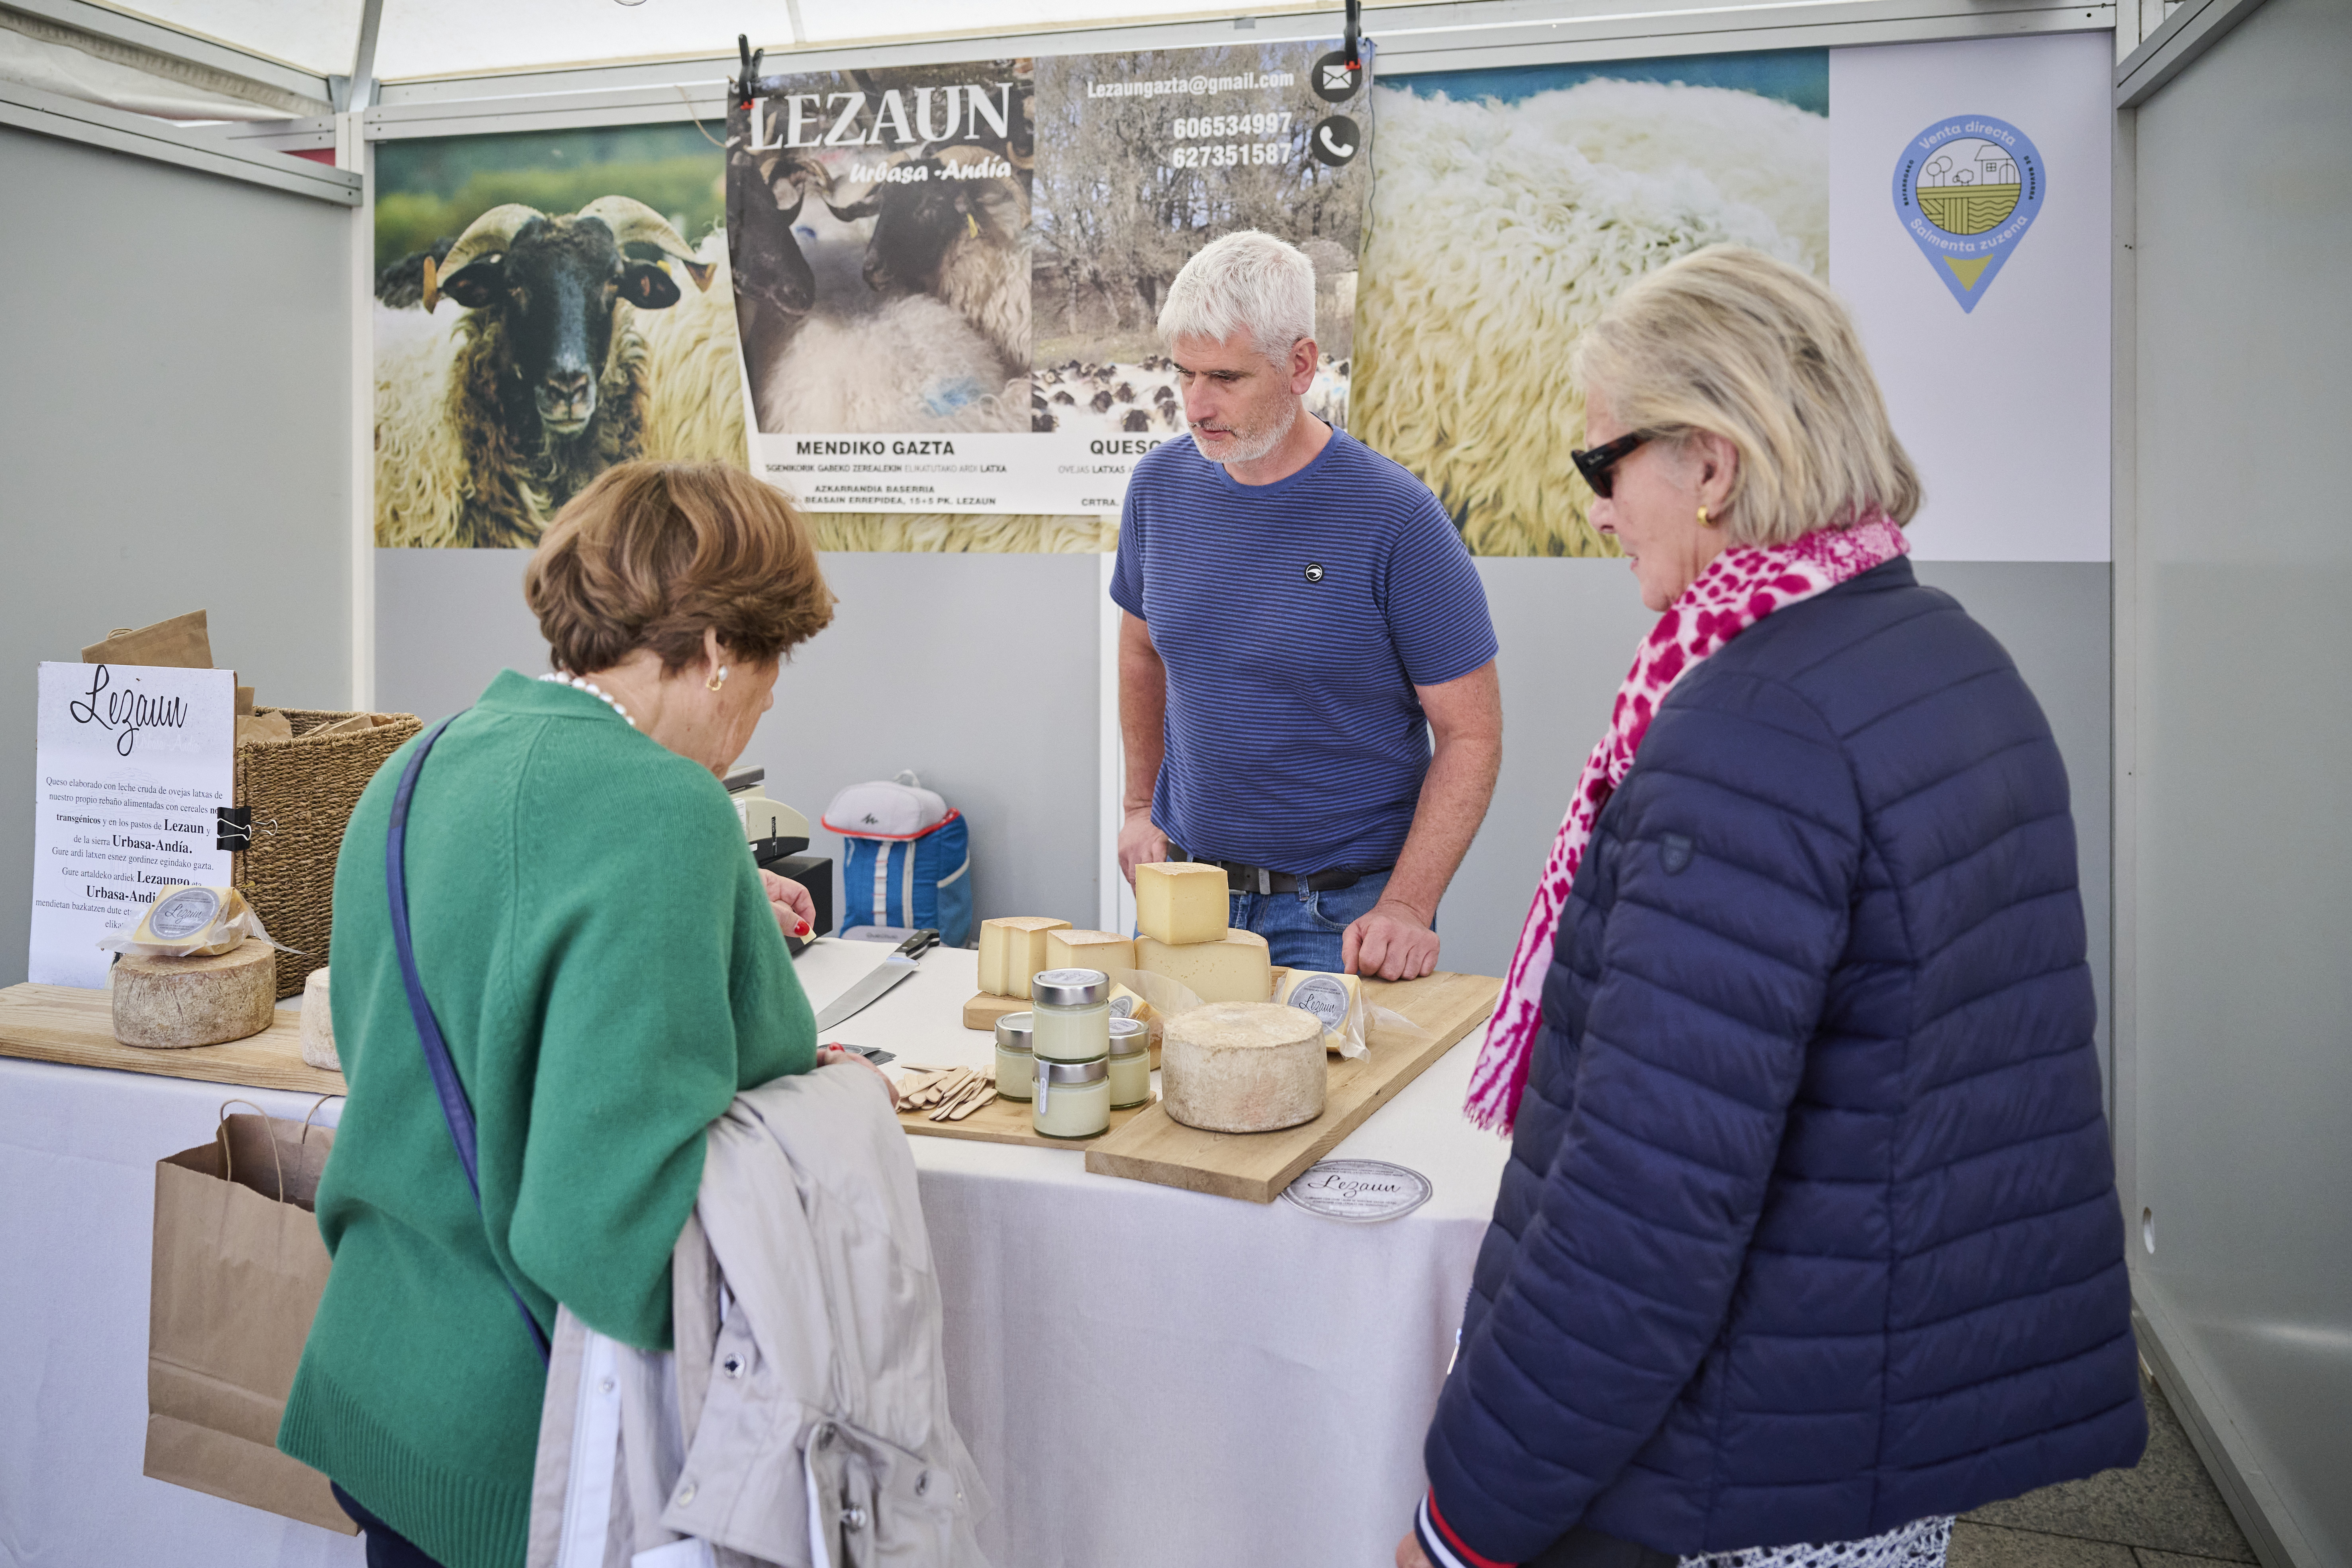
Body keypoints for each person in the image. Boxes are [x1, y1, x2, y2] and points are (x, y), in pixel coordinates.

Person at [1402, 248, 2146, 1568]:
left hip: (1738, 1465)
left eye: (1602, 464)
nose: (1596, 511)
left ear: (1712, 462)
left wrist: (1464, 1518)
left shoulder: (1752, 730)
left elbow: (1642, 1213)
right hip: (1877, 1417)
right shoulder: (1948, 654)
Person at [280, 461, 888, 1568]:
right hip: (534, 1447)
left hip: (377, 1382)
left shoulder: (413, 767)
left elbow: (424, 1038)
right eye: (773, 666)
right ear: (718, 650)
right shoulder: (672, 812)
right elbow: (609, 1234)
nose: (766, 703)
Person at [1113, 229, 1502, 979]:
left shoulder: (1396, 517)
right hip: (1187, 896)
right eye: (1184, 373)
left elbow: (1472, 734)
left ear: (1300, 366)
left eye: (1225, 377)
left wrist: (1408, 906)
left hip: (1339, 915)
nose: (1195, 404)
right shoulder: (1158, 488)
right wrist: (1137, 808)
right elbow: (1140, 649)